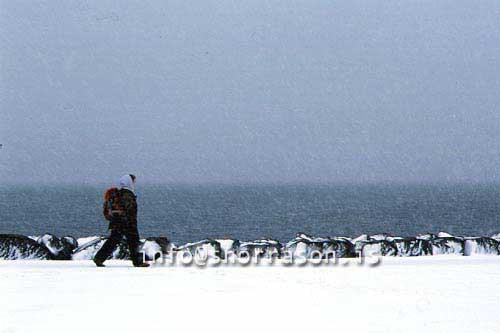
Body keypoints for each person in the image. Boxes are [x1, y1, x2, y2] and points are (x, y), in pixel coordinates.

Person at [93, 174, 149, 267]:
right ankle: (138, 262)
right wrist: (131, 223)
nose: (134, 183)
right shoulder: (127, 194)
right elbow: (130, 210)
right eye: (133, 181)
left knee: (113, 240)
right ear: (130, 182)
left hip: (117, 222)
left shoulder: (119, 193)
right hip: (127, 222)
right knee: (134, 241)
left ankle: (99, 258)